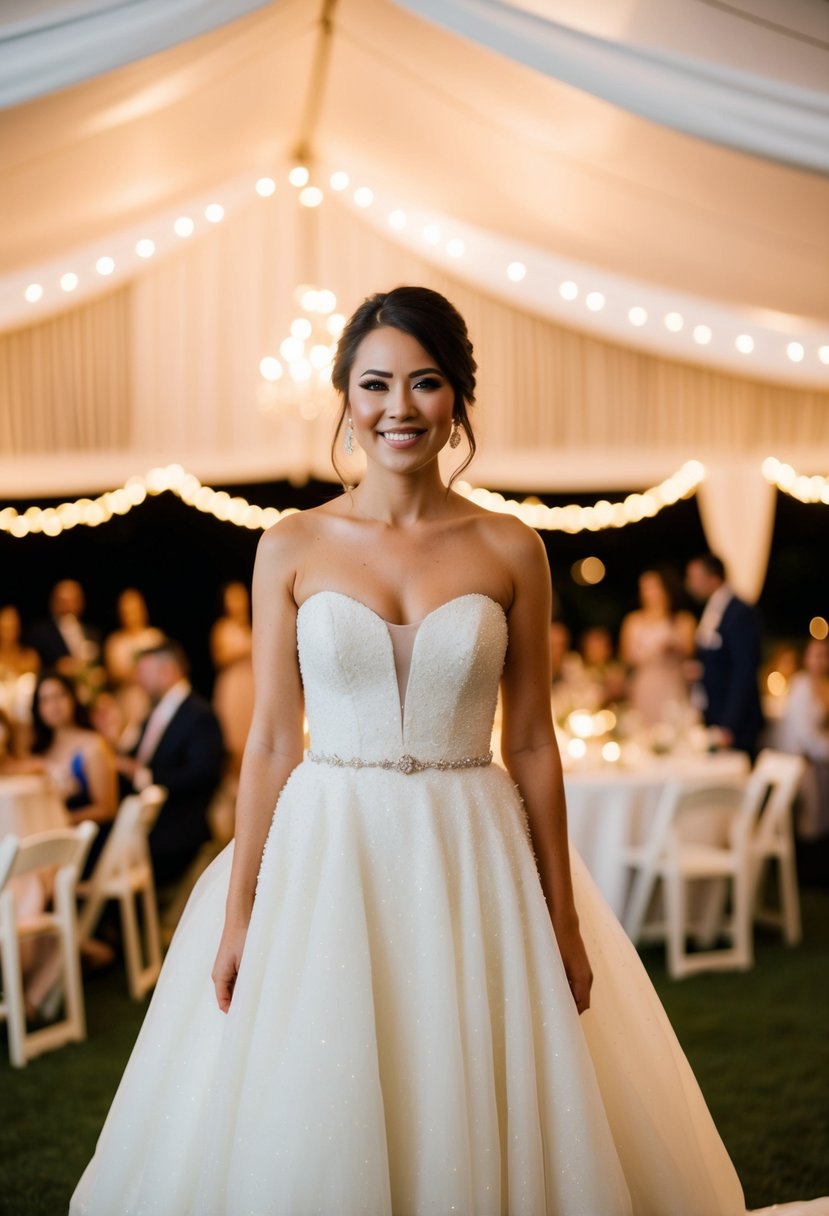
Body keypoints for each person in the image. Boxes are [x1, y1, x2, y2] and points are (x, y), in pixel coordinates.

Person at [72, 287, 753, 1215]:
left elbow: (533, 746)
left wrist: (561, 917)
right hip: (328, 850)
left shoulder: (512, 547)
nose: (400, 407)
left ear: (457, 399)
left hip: (472, 846)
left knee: (467, 1074)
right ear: (345, 398)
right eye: (376, 384)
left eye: (425, 383)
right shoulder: (291, 544)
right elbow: (272, 740)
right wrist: (240, 914)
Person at [116, 640, 224, 886]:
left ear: (166, 671)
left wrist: (144, 777)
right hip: (146, 821)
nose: (137, 680)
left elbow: (203, 774)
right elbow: (135, 757)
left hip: (176, 828)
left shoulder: (199, 714)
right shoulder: (154, 712)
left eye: (143, 673)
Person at [686, 553, 764, 755]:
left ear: (713, 579)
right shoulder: (713, 610)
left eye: (695, 578)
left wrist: (729, 725)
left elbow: (744, 670)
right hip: (715, 714)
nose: (690, 584)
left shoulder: (738, 612)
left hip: (736, 721)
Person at [619, 568, 696, 727]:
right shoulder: (633, 621)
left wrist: (674, 648)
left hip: (672, 684)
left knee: (674, 724)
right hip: (645, 685)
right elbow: (626, 658)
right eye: (645, 588)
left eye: (654, 587)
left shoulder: (682, 619)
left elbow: (690, 652)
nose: (649, 593)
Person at [776, 636, 829, 841]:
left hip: (818, 761)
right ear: (806, 658)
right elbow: (805, 735)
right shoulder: (801, 686)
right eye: (815, 655)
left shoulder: (824, 686)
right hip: (801, 761)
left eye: (824, 656)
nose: (819, 661)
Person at [103, 588, 165, 740]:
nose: (130, 615)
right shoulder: (115, 641)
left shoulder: (155, 637)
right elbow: (113, 674)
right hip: (128, 701)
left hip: (153, 698)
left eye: (134, 609)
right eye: (125, 611)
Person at [210, 581, 255, 776]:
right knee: (233, 741)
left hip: (250, 685)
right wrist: (245, 649)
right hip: (233, 686)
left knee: (249, 739)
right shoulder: (222, 628)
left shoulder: (251, 627)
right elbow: (219, 658)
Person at [27, 579, 102, 680]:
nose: (68, 607)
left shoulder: (92, 632)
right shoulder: (40, 633)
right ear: (53, 603)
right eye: (63, 601)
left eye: (73, 601)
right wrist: (57, 669)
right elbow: (32, 669)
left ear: (82, 603)